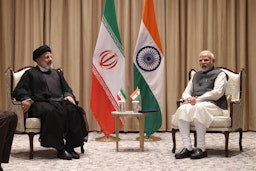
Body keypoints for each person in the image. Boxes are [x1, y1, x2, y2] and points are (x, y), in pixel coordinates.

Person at [13, 45, 88, 160]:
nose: (50, 59)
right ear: (38, 60)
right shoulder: (30, 73)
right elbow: (19, 90)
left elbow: (66, 89)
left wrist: (69, 96)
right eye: (46, 57)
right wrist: (26, 99)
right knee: (52, 112)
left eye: (50, 57)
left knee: (74, 110)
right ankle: (60, 149)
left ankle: (70, 147)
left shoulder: (56, 73)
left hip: (59, 102)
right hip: (40, 103)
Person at [172, 50, 228, 159]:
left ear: (213, 61)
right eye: (201, 60)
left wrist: (197, 100)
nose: (203, 62)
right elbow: (186, 92)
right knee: (183, 108)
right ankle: (187, 147)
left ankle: (201, 149)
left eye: (206, 60)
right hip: (197, 104)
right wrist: (188, 99)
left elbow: (217, 93)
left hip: (215, 105)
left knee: (199, 107)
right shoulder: (196, 75)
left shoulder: (220, 74)